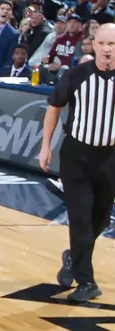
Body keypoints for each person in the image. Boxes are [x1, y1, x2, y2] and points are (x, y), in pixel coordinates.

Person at [40, 21, 115, 302]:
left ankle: (73, 256)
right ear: (93, 45)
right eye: (103, 43)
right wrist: (46, 146)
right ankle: (87, 281)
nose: (107, 49)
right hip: (77, 155)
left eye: (113, 44)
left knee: (100, 219)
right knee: (81, 218)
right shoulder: (76, 75)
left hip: (110, 157)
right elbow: (54, 107)